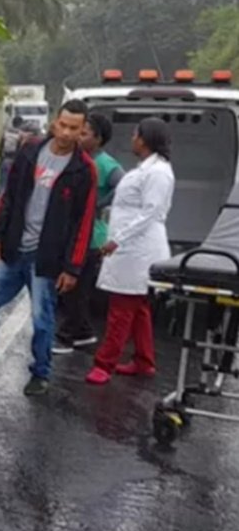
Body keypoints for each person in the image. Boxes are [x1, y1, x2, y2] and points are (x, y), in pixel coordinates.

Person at [0, 100, 97, 396]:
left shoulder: (84, 170)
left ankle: (41, 372)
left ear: (82, 131)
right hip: (17, 251)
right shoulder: (31, 151)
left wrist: (72, 267)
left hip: (48, 259)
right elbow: (9, 196)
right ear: (55, 122)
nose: (66, 133)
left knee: (42, 319)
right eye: (63, 125)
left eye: (74, 129)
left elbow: (85, 222)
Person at [85, 117, 174, 384]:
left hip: (137, 251)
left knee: (121, 310)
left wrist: (117, 240)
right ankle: (144, 361)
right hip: (131, 248)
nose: (132, 138)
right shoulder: (146, 169)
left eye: (135, 134)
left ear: (145, 140)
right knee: (138, 309)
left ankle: (104, 364)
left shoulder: (157, 172)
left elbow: (150, 213)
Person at [54, 112, 125, 353]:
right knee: (74, 289)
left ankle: (66, 336)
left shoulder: (105, 164)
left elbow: (122, 187)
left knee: (77, 291)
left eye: (84, 134)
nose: (79, 137)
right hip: (73, 234)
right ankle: (83, 331)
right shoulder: (77, 158)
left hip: (92, 237)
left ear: (99, 138)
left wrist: (98, 203)